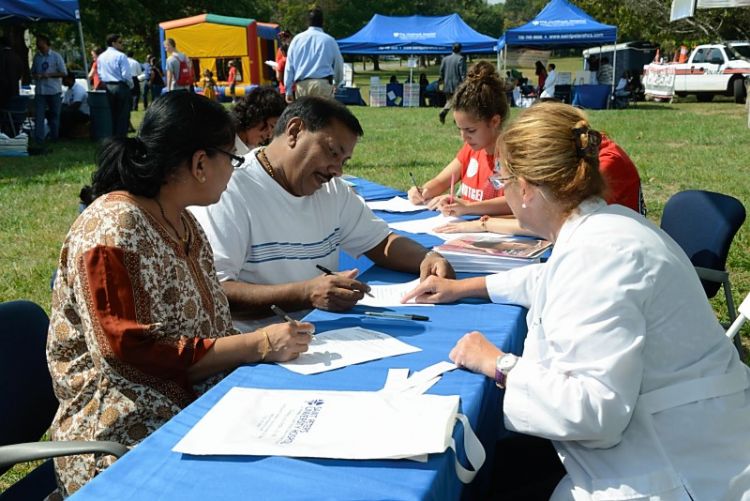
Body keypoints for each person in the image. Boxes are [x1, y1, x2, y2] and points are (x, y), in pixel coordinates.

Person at [402, 101, 750, 501]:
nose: (503, 189)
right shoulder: (607, 228)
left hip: (677, 471)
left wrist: (498, 365)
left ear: (526, 189)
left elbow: (594, 414)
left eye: (503, 179)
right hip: (685, 440)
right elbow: (550, 279)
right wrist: (465, 287)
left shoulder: (599, 253)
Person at [47, 92, 313, 497]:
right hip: (122, 440)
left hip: (198, 410)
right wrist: (257, 344)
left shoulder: (183, 221)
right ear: (200, 163)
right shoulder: (112, 228)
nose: (235, 171)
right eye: (232, 159)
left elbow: (211, 325)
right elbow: (129, 355)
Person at [191, 96, 454, 330]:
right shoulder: (229, 191)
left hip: (325, 337)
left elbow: (381, 242)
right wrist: (305, 294)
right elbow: (215, 293)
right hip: (256, 351)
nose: (337, 170)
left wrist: (427, 257)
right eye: (332, 152)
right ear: (295, 131)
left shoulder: (332, 191)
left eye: (344, 161)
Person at [432, 132, 646, 237]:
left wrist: (484, 224)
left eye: (504, 180)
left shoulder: (594, 167)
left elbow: (551, 222)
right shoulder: (578, 155)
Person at [408, 61, 510, 216]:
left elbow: (515, 203)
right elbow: (441, 181)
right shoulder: (471, 150)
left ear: (494, 121)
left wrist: (469, 207)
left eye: (471, 130)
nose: (464, 137)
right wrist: (423, 191)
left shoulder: (511, 156)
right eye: (460, 129)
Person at [283, 7, 344, 103]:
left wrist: (288, 90)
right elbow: (339, 65)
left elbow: (289, 67)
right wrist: (337, 83)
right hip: (322, 85)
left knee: (304, 113)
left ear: (307, 22)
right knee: (322, 113)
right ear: (323, 22)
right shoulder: (330, 40)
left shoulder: (297, 40)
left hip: (302, 86)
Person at [31, 34, 67, 144]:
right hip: (40, 91)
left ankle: (54, 138)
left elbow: (64, 72)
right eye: (37, 42)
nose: (37, 44)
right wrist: (35, 75)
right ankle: (39, 139)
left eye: (39, 41)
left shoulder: (56, 56)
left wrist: (49, 75)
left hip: (53, 90)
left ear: (46, 42)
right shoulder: (37, 57)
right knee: (39, 115)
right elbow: (32, 72)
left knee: (54, 115)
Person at [230, 85, 286, 155]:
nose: (270, 135)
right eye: (271, 126)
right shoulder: (225, 144)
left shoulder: (254, 150)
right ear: (256, 116)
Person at [97, 33, 132, 138]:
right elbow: (126, 75)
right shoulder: (121, 56)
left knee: (112, 114)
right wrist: (130, 86)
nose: (122, 44)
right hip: (120, 86)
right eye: (120, 42)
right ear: (113, 43)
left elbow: (100, 73)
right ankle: (121, 139)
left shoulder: (101, 57)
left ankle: (113, 138)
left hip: (107, 86)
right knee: (123, 115)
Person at [438, 43, 467, 124]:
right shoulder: (461, 59)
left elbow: (441, 72)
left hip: (447, 84)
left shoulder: (445, 59)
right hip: (457, 84)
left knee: (450, 100)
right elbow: (462, 73)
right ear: (460, 49)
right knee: (458, 102)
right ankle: (451, 116)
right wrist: (465, 83)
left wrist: (443, 80)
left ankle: (451, 116)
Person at [59, 73, 90, 137]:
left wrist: (63, 110)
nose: (62, 81)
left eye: (64, 79)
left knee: (67, 113)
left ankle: (66, 135)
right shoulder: (68, 90)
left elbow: (76, 105)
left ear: (70, 79)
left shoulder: (78, 89)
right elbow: (64, 103)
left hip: (83, 114)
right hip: (73, 112)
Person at [0, 35, 25, 110]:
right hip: (14, 88)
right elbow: (21, 73)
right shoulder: (16, 56)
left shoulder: (2, 56)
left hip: (3, 90)